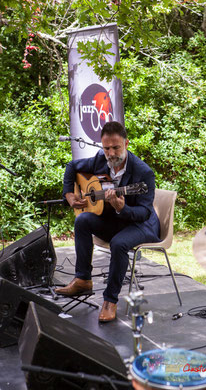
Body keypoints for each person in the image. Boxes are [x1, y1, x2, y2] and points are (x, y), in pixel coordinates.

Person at [55, 121, 160, 322]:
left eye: (116, 147)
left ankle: (110, 300)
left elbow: (145, 213)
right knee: (83, 220)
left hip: (142, 225)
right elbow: (72, 166)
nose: (111, 153)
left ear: (127, 143)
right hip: (116, 222)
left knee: (119, 244)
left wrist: (122, 207)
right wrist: (69, 194)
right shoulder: (100, 160)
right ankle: (83, 279)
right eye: (106, 148)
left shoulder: (143, 173)